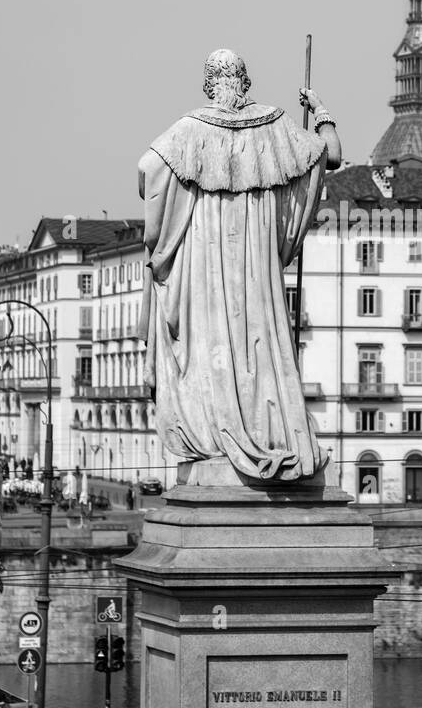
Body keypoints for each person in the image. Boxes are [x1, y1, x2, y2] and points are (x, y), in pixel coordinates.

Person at [138, 50, 341, 483]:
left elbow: (148, 168)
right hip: (257, 269)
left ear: (210, 84)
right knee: (259, 341)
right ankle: (272, 429)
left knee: (209, 349)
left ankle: (217, 432)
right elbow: (331, 154)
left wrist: (165, 225)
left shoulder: (189, 130)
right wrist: (320, 111)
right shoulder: (275, 126)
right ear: (244, 82)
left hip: (206, 264)